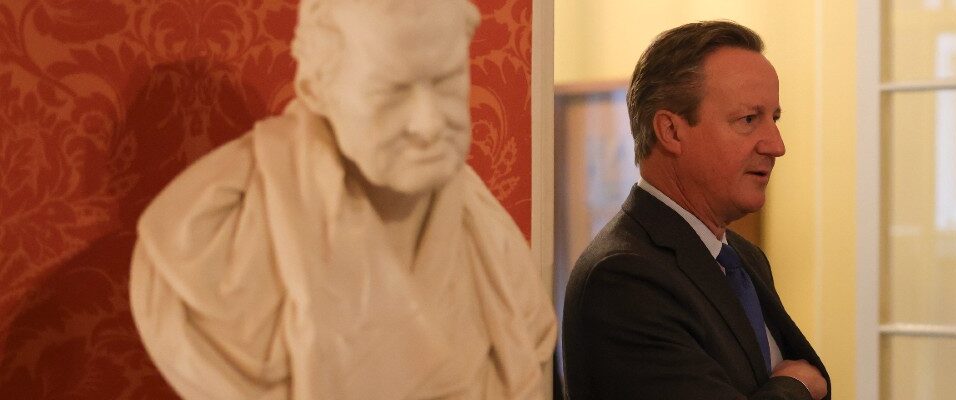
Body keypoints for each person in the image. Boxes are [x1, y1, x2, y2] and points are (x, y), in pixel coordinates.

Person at [129, 0, 556, 398]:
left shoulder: (493, 241)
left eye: (446, 83)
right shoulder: (203, 243)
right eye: (391, 91)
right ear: (317, 87)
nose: (427, 124)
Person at [561, 20, 830, 400]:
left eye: (775, 118)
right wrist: (795, 387)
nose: (776, 144)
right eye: (749, 120)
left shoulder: (744, 259)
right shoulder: (623, 277)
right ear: (671, 132)